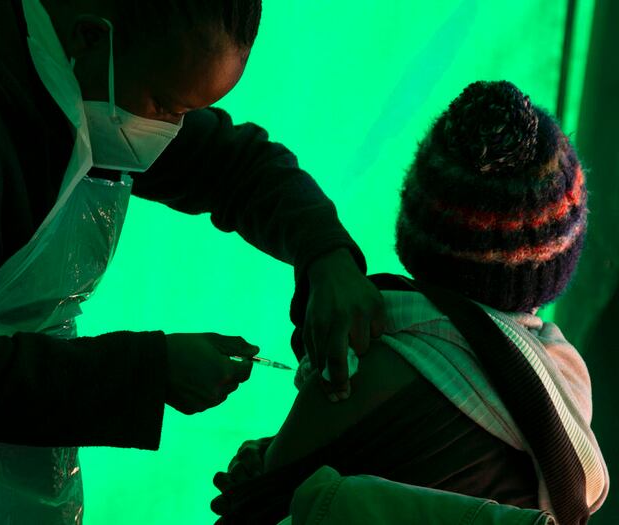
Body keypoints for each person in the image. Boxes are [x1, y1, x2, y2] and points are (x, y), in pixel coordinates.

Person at [0, 0, 386, 523]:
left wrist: (326, 253)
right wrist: (147, 372)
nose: (170, 130)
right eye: (166, 106)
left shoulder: (101, 82)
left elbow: (234, 166)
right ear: (91, 38)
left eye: (189, 112)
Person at [211, 81, 610, 524]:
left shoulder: (357, 358)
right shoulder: (564, 391)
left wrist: (259, 468)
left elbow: (258, 504)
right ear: (558, 261)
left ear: (416, 231)